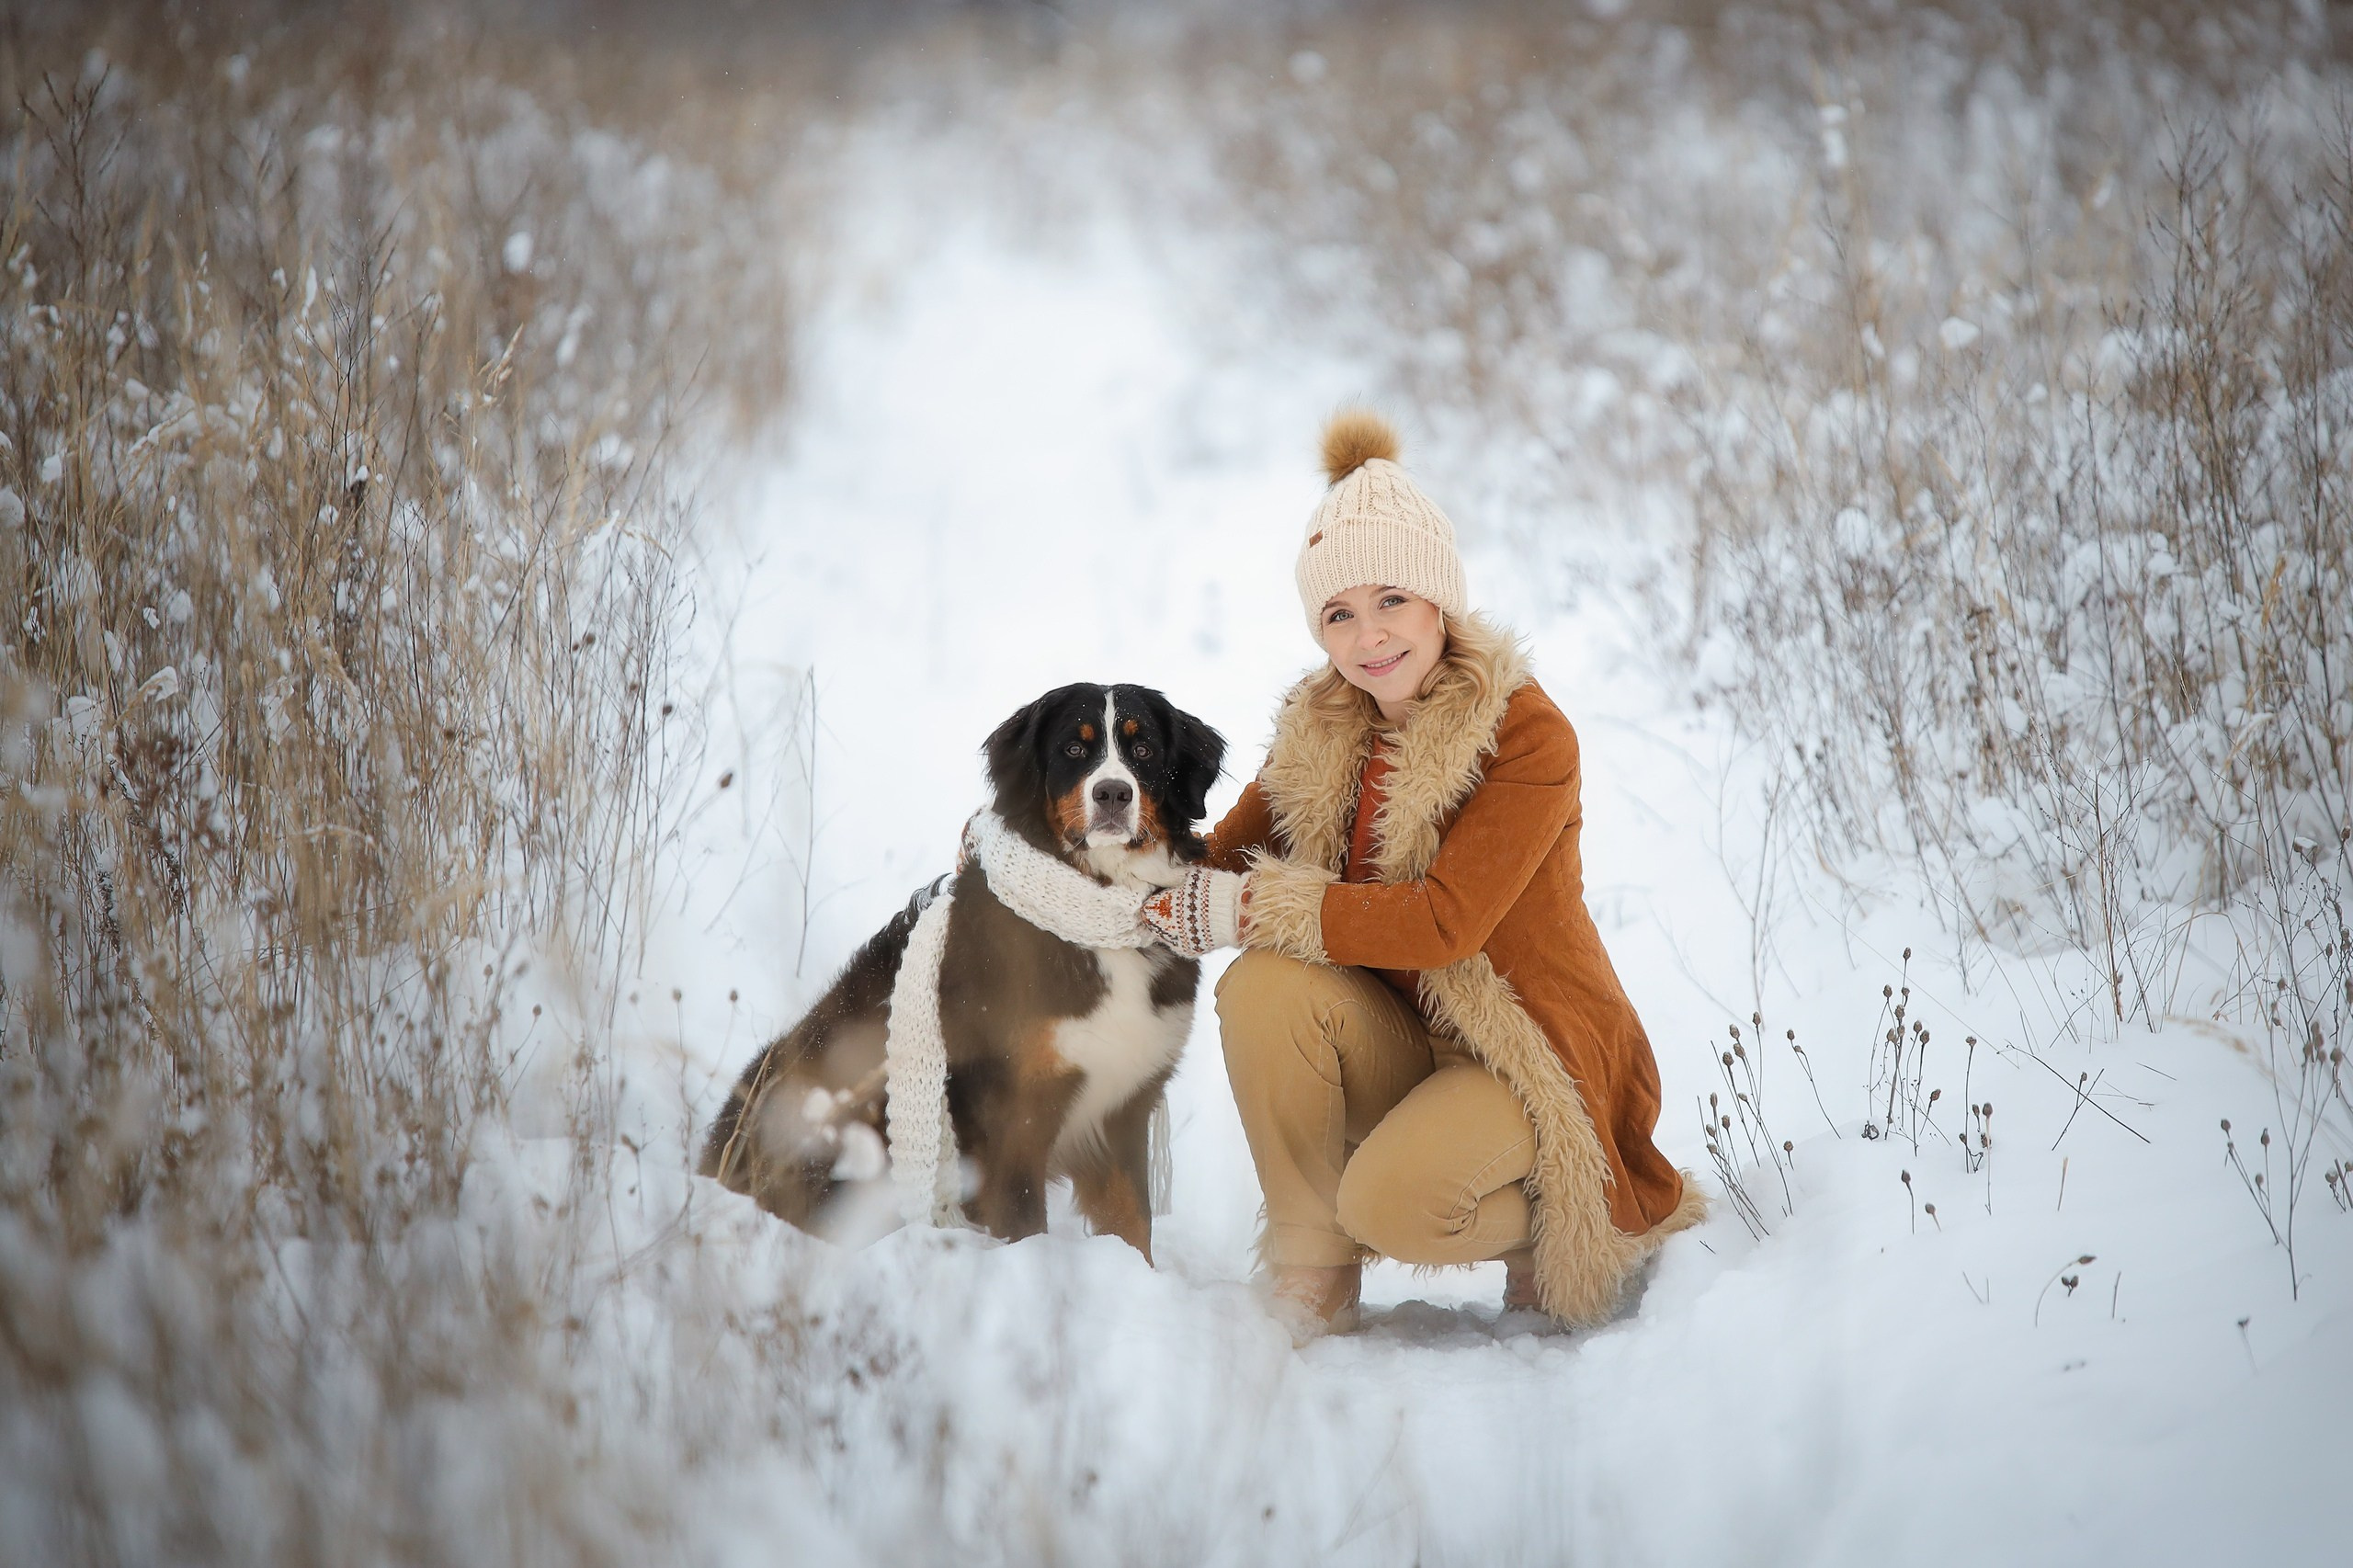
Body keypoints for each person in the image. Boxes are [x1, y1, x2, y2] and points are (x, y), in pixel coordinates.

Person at [1140, 411, 1702, 1340]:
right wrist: (1063, 859)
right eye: (1339, 614)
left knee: (1392, 1205)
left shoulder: (1525, 732)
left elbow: (1447, 923)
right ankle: (1312, 1271)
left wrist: (1248, 905)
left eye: (1391, 598)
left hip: (1522, 1050)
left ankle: (1572, 1208)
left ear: (1440, 597)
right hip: (1401, 1034)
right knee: (1265, 983)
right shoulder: (1322, 725)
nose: (1370, 637)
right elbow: (1214, 860)